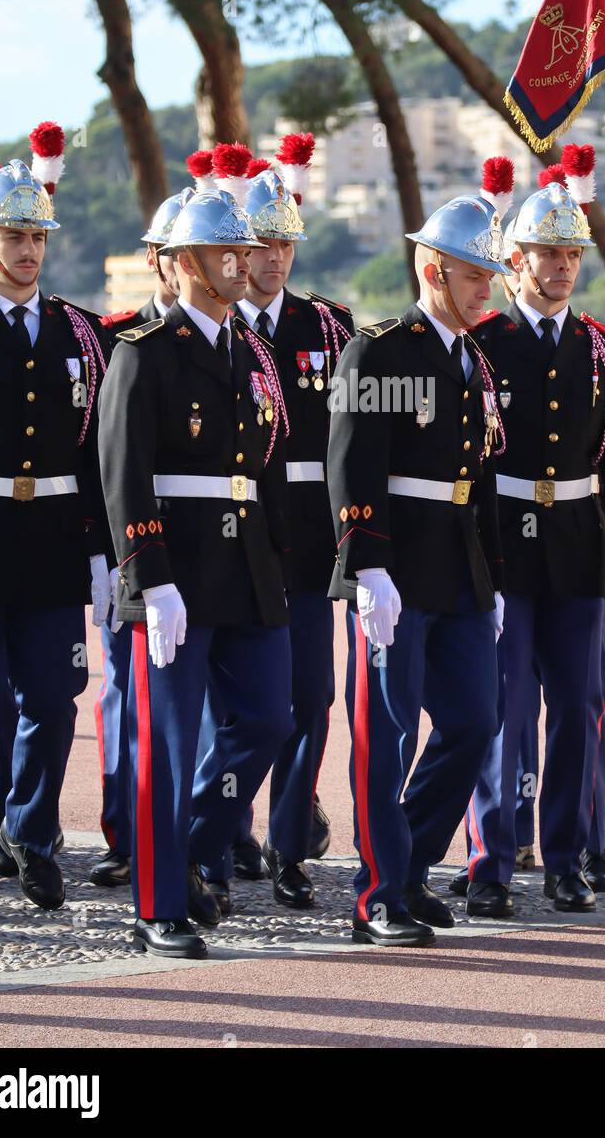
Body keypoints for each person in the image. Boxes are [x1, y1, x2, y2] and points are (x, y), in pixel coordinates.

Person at [97, 186, 293, 958]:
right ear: (181, 266)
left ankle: (193, 841)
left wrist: (279, 561)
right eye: (223, 252)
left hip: (245, 567)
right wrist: (149, 574)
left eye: (242, 250)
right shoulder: (144, 352)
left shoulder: (252, 352)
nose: (241, 264)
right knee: (170, 743)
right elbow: (124, 471)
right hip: (175, 566)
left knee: (271, 719)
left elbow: (266, 466)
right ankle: (160, 904)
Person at [462, 174, 605, 916]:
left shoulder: (604, 352)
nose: (562, 266)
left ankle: (569, 857)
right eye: (546, 251)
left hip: (576, 548)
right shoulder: (482, 344)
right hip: (503, 544)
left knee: (577, 705)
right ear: (513, 259)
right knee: (503, 709)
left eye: (571, 253)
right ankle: (491, 859)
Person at [327, 193, 508, 946]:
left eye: (490, 276)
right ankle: (377, 893)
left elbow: (485, 477)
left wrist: (490, 579)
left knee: (474, 722)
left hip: (459, 571)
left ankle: (408, 865)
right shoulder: (381, 349)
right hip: (394, 566)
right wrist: (367, 566)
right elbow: (352, 466)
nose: (486, 289)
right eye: (473, 275)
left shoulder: (474, 358)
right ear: (433, 270)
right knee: (388, 729)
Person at [0, 131, 111, 923]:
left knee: (54, 702)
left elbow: (99, 458)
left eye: (38, 236)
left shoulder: (82, 334)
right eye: (13, 236)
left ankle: (33, 839)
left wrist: (105, 555)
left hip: (49, 546)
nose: (28, 250)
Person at [229, 152, 353, 905]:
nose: (274, 260)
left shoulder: (329, 327)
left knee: (312, 700)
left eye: (285, 246)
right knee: (242, 707)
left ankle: (289, 842)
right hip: (236, 540)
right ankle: (227, 826)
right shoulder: (213, 330)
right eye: (260, 246)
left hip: (308, 546)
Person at [90, 188, 190, 888]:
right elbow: (105, 459)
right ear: (158, 261)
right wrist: (106, 555)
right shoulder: (118, 338)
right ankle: (127, 834)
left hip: (213, 555)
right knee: (129, 701)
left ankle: (206, 838)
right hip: (135, 552)